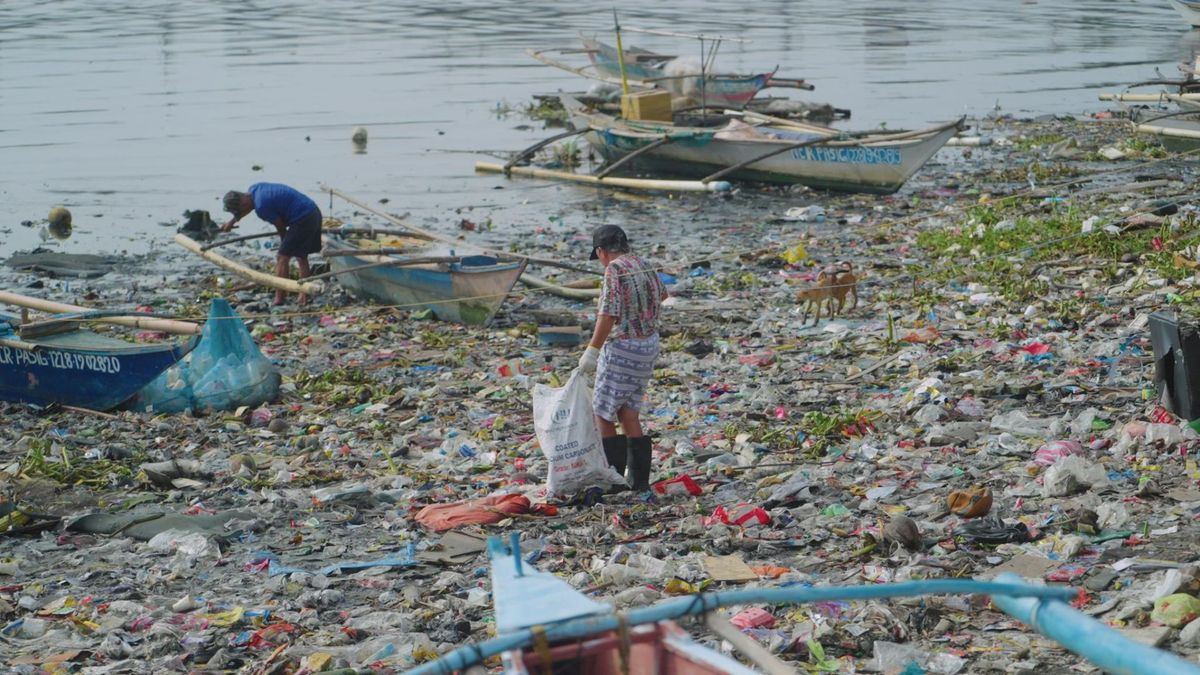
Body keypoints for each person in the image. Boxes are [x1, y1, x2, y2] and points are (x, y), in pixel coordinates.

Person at [578, 224, 666, 492]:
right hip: (648, 345)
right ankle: (639, 483)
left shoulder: (614, 270)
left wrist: (592, 350)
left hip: (624, 348)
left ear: (601, 251)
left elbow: (608, 314)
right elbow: (663, 294)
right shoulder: (643, 262)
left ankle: (614, 481)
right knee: (628, 412)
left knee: (602, 413)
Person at [222, 183, 322, 306]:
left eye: (238, 211)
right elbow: (248, 208)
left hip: (303, 219)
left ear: (243, 203)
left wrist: (284, 244)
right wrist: (232, 222)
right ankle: (303, 293)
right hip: (313, 211)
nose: (240, 213)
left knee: (282, 258)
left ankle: (280, 298)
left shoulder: (262, 207)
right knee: (301, 256)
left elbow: (280, 226)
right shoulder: (254, 189)